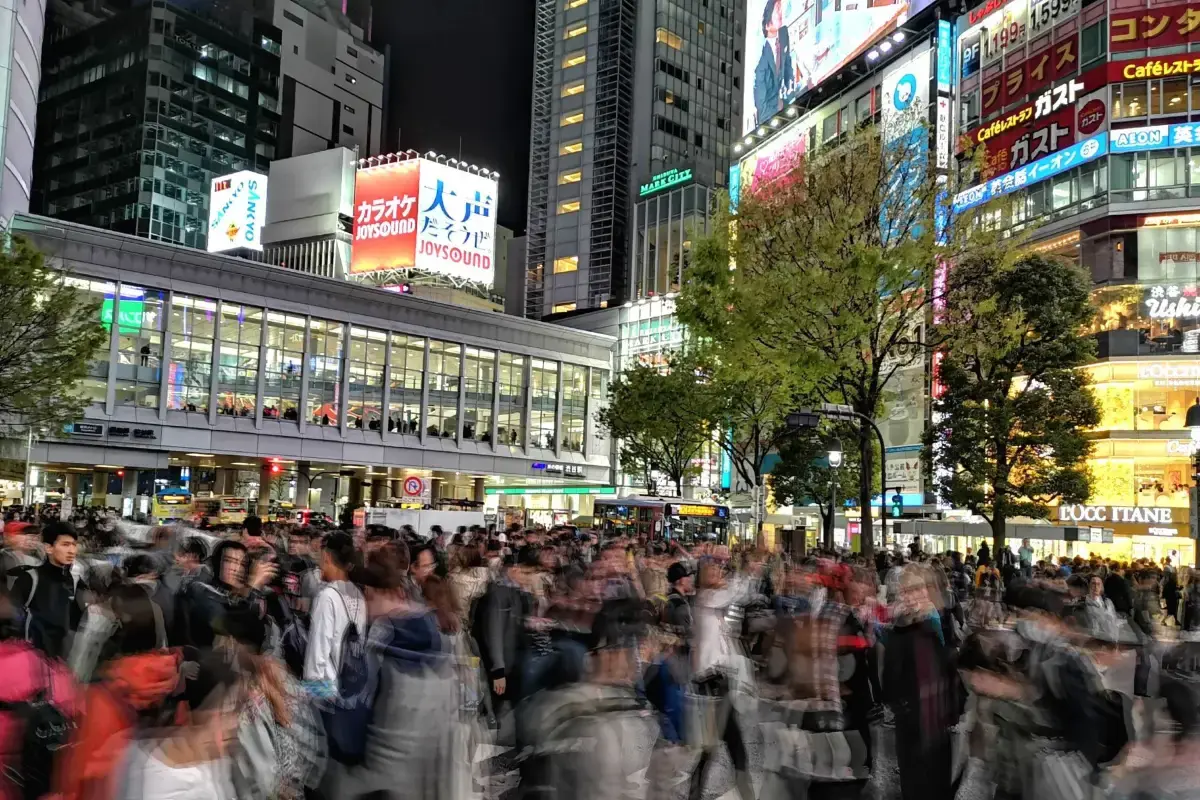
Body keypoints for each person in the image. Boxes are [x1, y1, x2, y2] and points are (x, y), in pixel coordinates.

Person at [323, 542, 465, 799]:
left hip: (379, 784)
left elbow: (349, 734)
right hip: (427, 781)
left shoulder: (378, 647)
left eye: (367, 594)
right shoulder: (440, 639)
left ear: (375, 592)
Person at [304, 532, 367, 690]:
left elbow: (317, 654)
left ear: (327, 557)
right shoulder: (358, 593)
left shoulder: (327, 597)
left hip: (328, 693)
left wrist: (313, 697)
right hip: (351, 691)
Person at [12, 522, 82, 659]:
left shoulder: (75, 581)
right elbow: (11, 621)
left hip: (61, 660)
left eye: (74, 545)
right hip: (30, 659)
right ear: (48, 548)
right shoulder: (28, 579)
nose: (72, 551)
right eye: (65, 545)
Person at [752, 0, 791, 127]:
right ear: (768, 24)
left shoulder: (784, 34)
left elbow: (788, 69)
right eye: (777, 9)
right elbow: (762, 109)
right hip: (771, 117)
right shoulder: (760, 60)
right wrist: (780, 107)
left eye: (780, 8)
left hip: (787, 104)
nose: (780, 13)